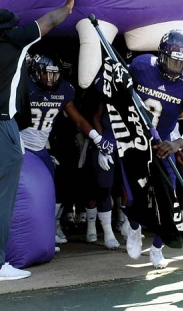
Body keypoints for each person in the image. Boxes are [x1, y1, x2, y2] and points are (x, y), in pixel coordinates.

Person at [0, 0, 74, 281]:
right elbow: (48, 22)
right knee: (4, 198)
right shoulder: (17, 42)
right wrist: (67, 8)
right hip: (3, 126)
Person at [125, 29, 183, 268]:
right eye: (171, 60)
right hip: (135, 138)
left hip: (164, 143)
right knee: (133, 192)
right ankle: (133, 226)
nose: (174, 67)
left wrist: (177, 143)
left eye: (181, 63)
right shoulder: (141, 66)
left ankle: (157, 248)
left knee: (167, 198)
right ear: (161, 55)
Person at [21, 55, 115, 249]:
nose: (50, 79)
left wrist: (97, 139)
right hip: (19, 144)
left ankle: (47, 232)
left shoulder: (64, 89)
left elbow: (79, 120)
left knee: (51, 189)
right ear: (35, 73)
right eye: (45, 74)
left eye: (54, 75)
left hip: (40, 146)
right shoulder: (24, 87)